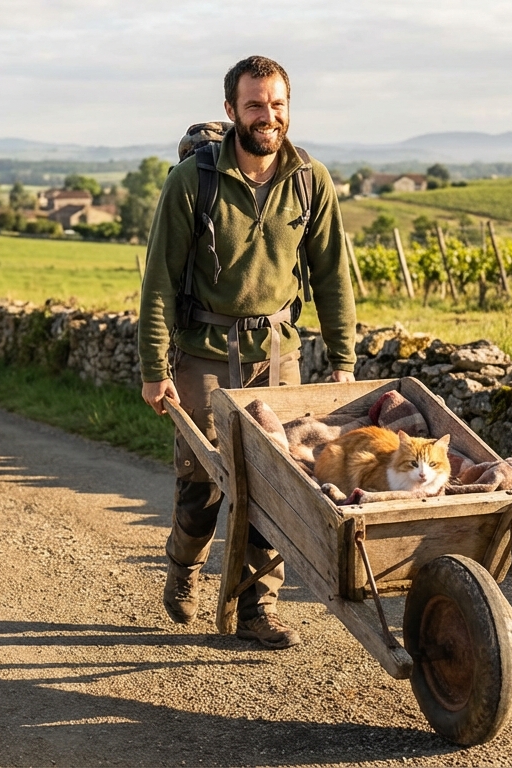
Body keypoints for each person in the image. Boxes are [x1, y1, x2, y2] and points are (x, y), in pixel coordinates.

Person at [137, 55, 357, 649]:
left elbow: (333, 275)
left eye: (277, 104)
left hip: (278, 356)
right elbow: (158, 280)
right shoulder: (193, 181)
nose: (268, 116)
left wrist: (343, 360)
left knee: (278, 486)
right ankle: (184, 562)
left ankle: (256, 607)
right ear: (231, 109)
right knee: (202, 488)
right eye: (255, 104)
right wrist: (155, 369)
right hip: (204, 354)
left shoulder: (309, 180)